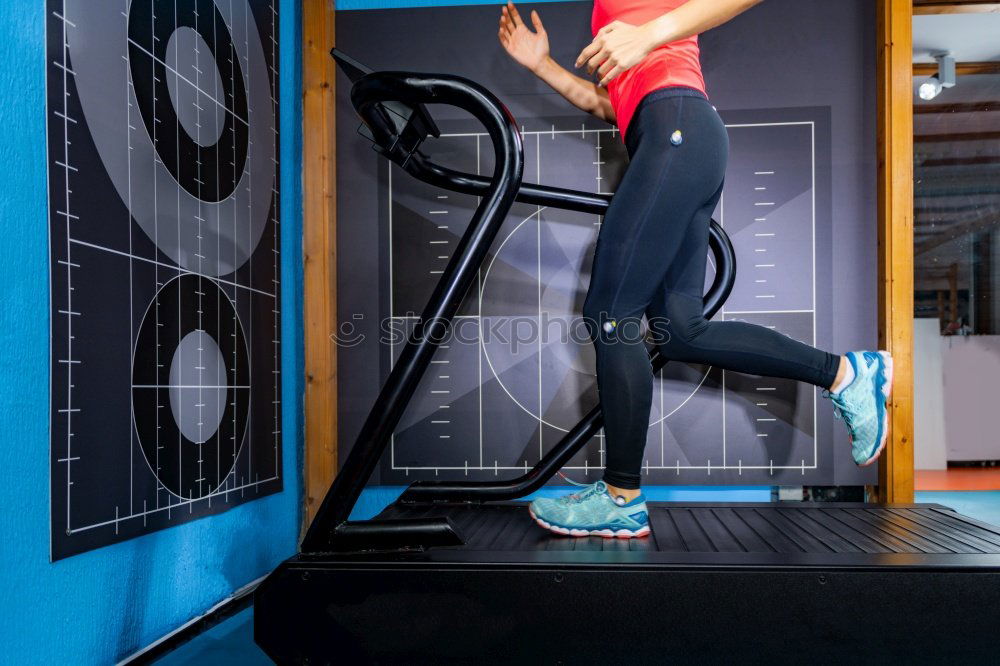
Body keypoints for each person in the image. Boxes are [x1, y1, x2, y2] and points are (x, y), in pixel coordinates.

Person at [497, 0, 893, 538]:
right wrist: (541, 64)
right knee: (682, 331)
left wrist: (648, 34)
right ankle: (847, 373)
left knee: (611, 313)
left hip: (678, 132)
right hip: (673, 137)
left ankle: (620, 496)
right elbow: (615, 106)